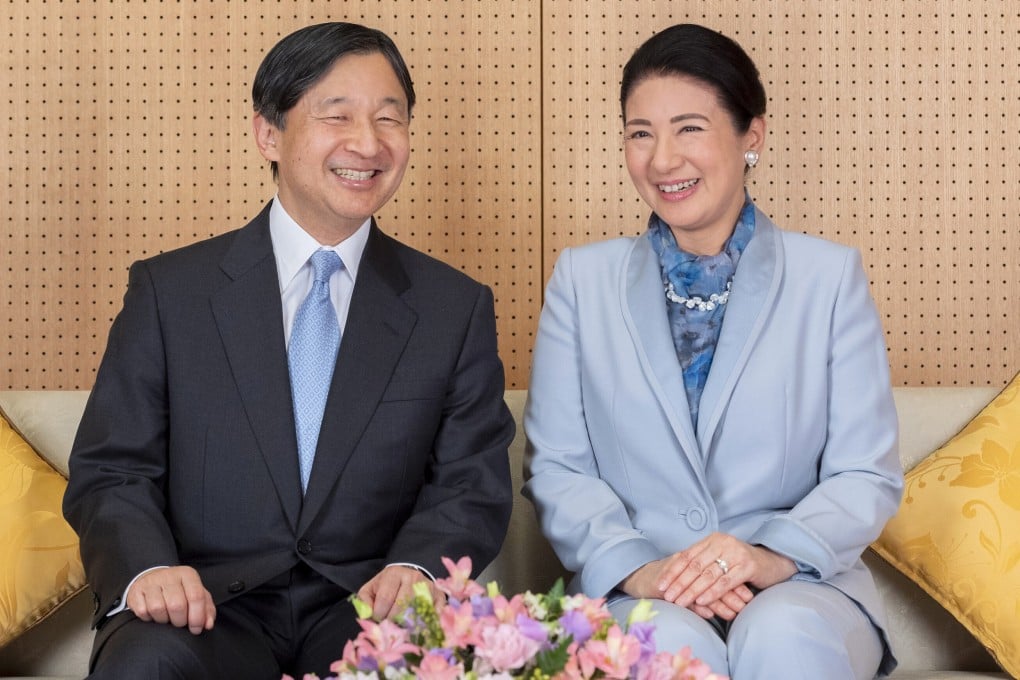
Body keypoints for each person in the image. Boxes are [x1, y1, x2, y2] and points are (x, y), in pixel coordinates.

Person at [63, 22, 514, 679]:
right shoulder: (170, 293)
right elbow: (112, 468)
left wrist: (416, 568)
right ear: (268, 134)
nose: (368, 143)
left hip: (366, 608)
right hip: (206, 606)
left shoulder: (453, 307)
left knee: (430, 664)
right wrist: (149, 570)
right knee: (146, 665)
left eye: (390, 119)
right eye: (338, 117)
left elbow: (470, 481)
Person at [523, 23, 903, 679]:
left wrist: (767, 558)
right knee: (667, 645)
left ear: (751, 135)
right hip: (642, 586)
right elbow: (558, 467)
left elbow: (865, 472)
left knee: (781, 630)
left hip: (802, 585)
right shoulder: (581, 281)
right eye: (641, 133)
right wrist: (643, 570)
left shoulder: (828, 278)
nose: (662, 159)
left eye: (689, 128)